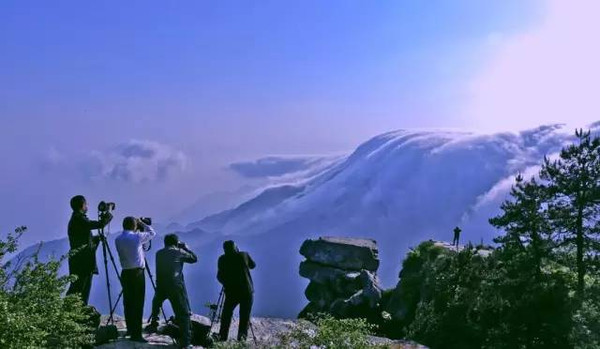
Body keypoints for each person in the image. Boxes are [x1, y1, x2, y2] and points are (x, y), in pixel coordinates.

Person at [147, 234, 197, 348]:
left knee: (156, 303)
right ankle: (186, 341)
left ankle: (154, 323)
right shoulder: (179, 252)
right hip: (175, 286)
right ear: (176, 243)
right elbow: (194, 258)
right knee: (182, 313)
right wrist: (185, 248)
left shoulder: (158, 253)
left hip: (161, 285)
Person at [115, 217, 156, 343]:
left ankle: (130, 329)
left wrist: (137, 225)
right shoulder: (137, 237)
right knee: (138, 303)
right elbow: (152, 233)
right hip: (137, 273)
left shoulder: (118, 239)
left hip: (125, 273)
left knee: (128, 302)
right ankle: (137, 334)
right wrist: (142, 223)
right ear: (134, 226)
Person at [66, 195, 113, 305]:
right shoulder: (79, 219)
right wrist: (109, 212)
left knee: (80, 290)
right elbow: (100, 224)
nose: (87, 206)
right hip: (82, 262)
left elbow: (83, 240)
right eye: (86, 204)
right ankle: (73, 316)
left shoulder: (76, 219)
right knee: (80, 290)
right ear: (82, 205)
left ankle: (74, 316)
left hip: (80, 260)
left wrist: (96, 239)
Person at [217, 240, 256, 341]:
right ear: (236, 247)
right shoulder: (244, 255)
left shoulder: (222, 259)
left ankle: (222, 337)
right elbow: (253, 265)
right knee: (244, 316)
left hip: (231, 292)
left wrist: (226, 283)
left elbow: (219, 276)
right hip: (247, 291)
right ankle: (241, 340)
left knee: (226, 315)